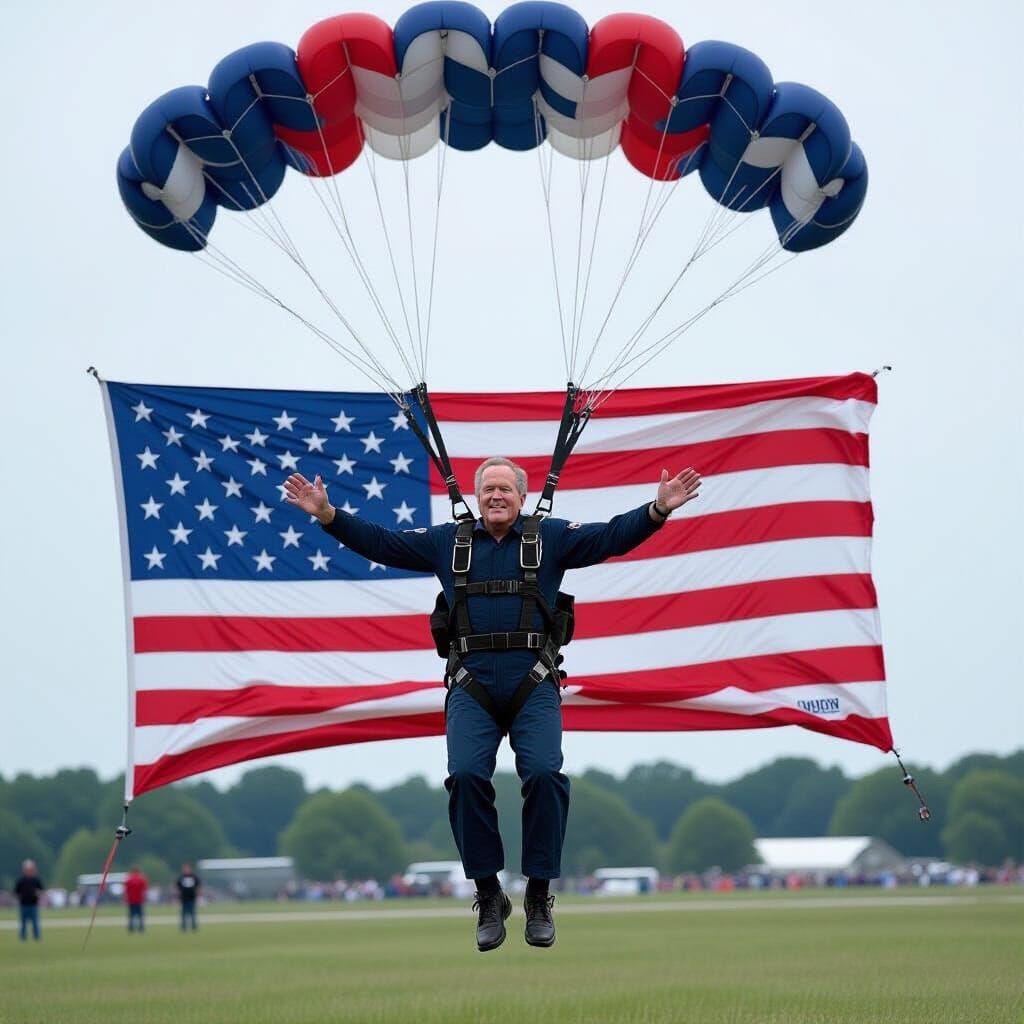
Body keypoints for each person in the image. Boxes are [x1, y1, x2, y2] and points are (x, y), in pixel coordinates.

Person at [284, 457, 701, 951]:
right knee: (464, 776)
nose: (496, 496)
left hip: (533, 682)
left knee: (545, 775)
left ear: (523, 499)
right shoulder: (447, 542)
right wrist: (329, 515)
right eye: (488, 490)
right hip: (472, 685)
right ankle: (488, 892)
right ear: (476, 498)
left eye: (505, 489)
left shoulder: (553, 538)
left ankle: (539, 895)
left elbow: (611, 536)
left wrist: (657, 509)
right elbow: (384, 544)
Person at [13, 859, 44, 942]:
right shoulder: (21, 880)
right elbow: (16, 892)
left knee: (35, 923)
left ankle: (37, 937)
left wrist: (38, 894)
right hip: (24, 904)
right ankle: (23, 938)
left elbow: (41, 890)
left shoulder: (36, 880)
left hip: (33, 904)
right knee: (23, 923)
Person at [176, 863, 200, 931]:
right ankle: (184, 927)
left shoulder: (194, 877)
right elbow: (177, 886)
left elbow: (198, 885)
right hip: (184, 898)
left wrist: (197, 893)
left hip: (192, 897)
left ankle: (194, 927)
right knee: (183, 914)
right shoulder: (181, 877)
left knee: (193, 913)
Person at [124, 865, 149, 933]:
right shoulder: (142, 879)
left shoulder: (129, 879)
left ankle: (131, 928)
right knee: (140, 915)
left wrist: (125, 898)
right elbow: (144, 890)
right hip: (139, 900)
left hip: (131, 899)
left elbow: (126, 890)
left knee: (131, 915)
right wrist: (145, 898)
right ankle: (141, 928)